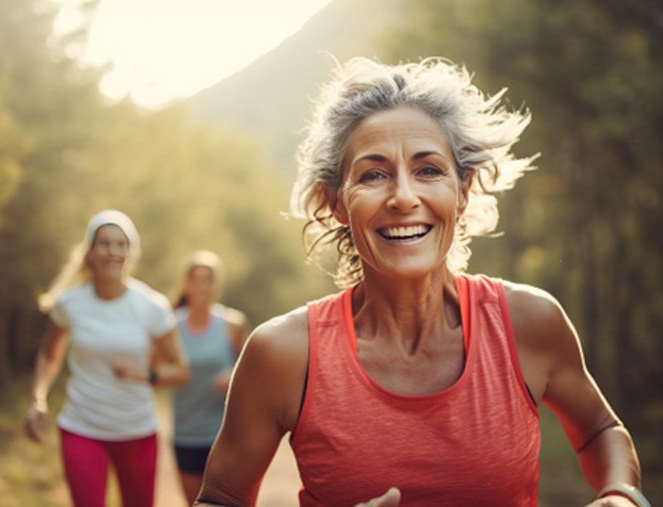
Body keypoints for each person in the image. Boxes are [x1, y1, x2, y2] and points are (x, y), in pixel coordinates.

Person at [194, 57, 649, 507]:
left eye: (428, 169)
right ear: (336, 202)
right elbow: (218, 500)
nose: (404, 197)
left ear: (463, 190)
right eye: (373, 175)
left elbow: (601, 431)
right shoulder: (283, 353)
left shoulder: (529, 321)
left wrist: (621, 496)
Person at [24, 209, 189, 507]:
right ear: (90, 252)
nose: (113, 251)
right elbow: (50, 356)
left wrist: (143, 375)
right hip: (81, 427)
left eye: (120, 244)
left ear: (130, 251)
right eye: (104, 243)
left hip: (137, 430)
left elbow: (180, 370)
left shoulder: (151, 306)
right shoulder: (69, 304)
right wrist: (38, 399)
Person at [171, 250, 248, 505]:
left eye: (208, 279)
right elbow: (159, 368)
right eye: (197, 279)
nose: (203, 285)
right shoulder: (171, 326)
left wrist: (233, 375)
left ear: (216, 284)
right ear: (186, 284)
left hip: (223, 434)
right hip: (185, 432)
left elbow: (252, 372)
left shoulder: (232, 323)